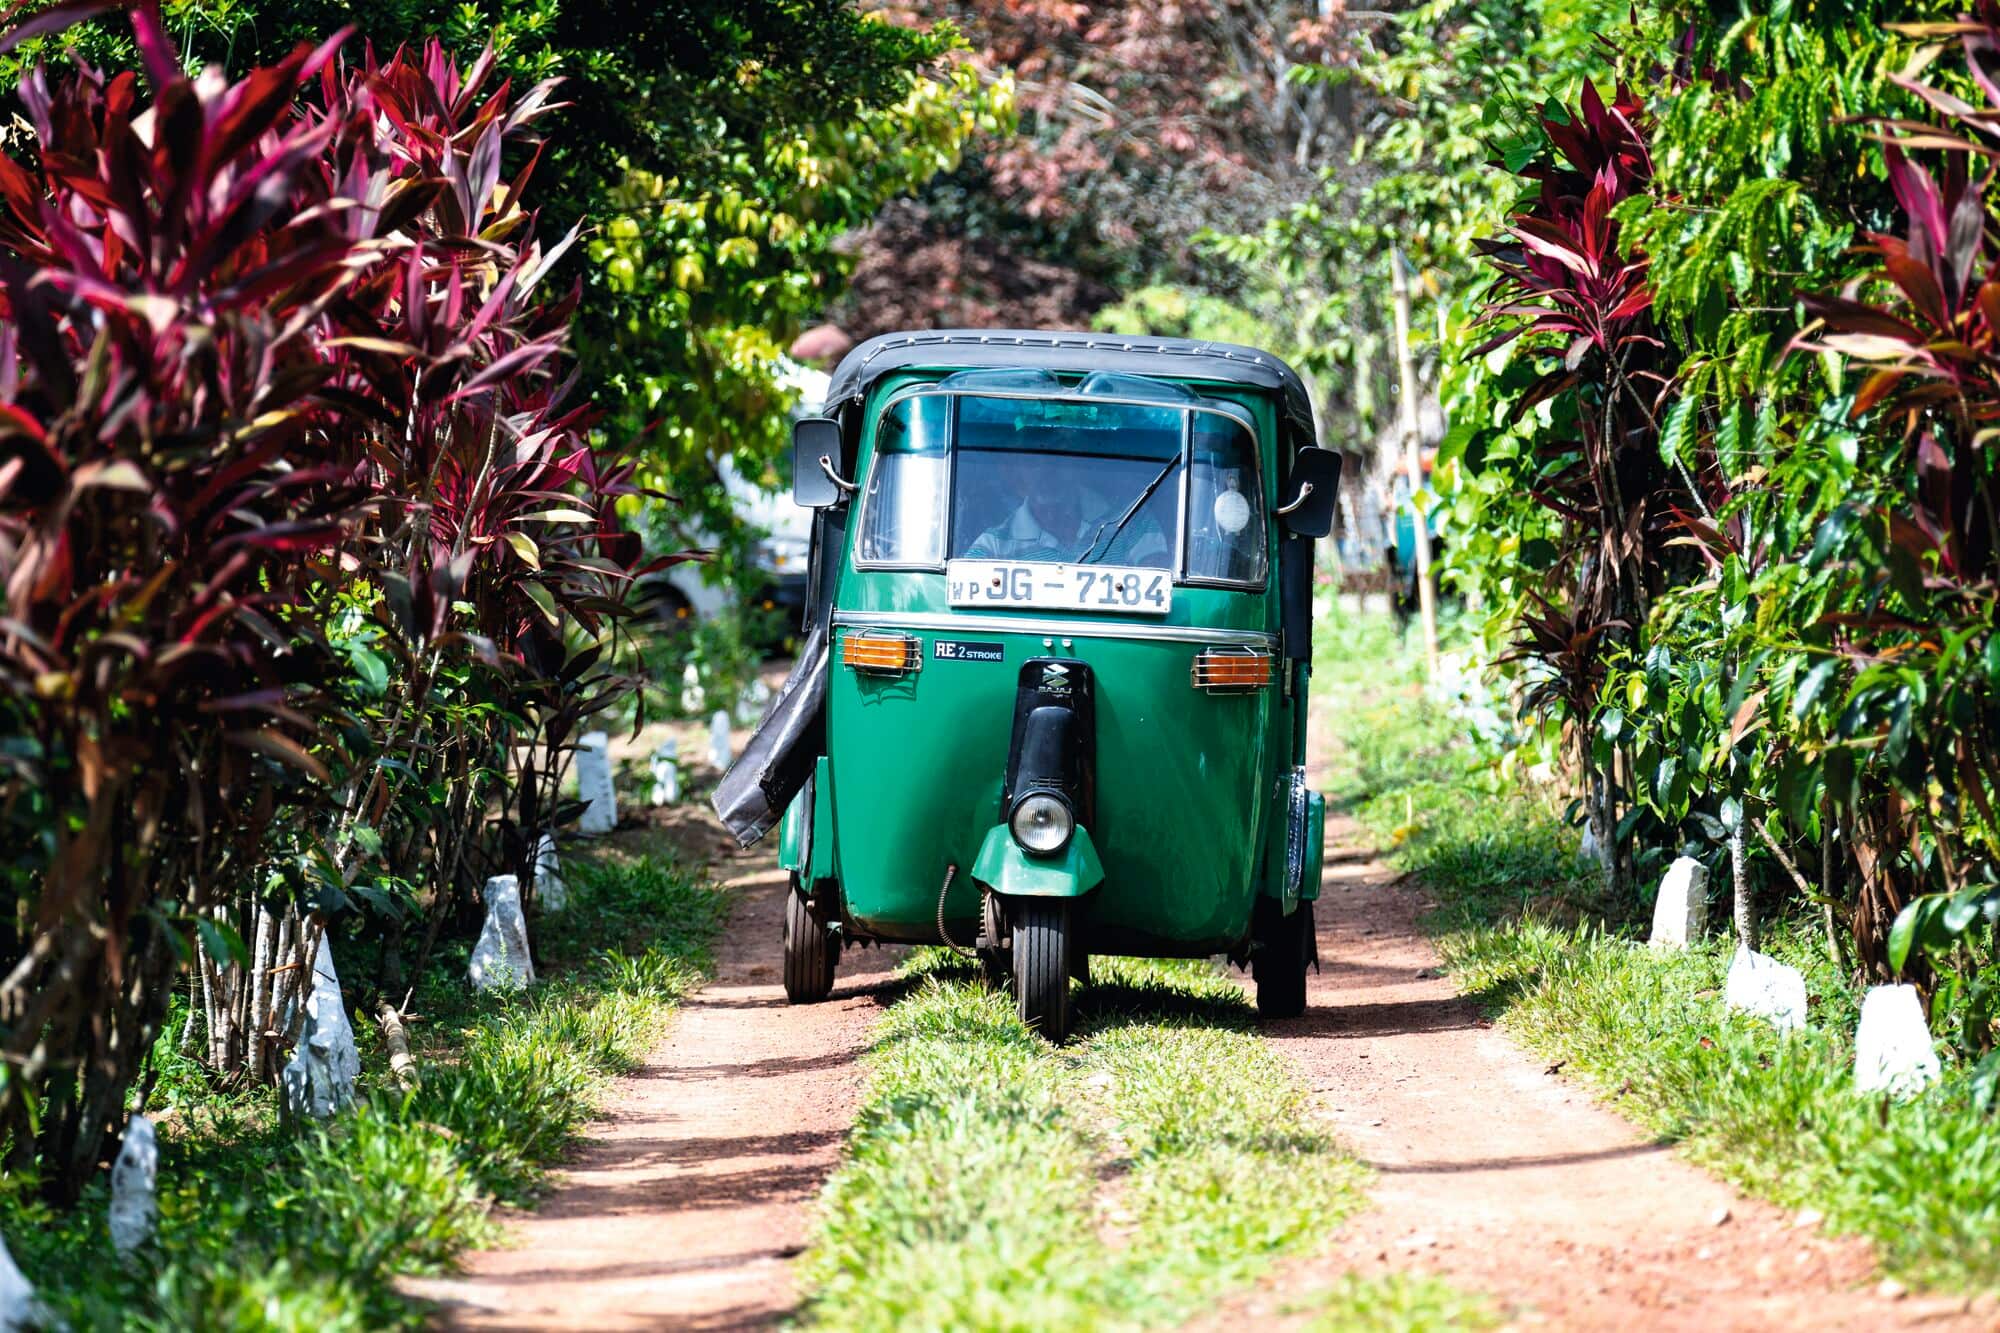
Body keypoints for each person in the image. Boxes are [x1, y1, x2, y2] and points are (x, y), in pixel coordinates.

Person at [961, 451, 1172, 566]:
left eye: (1057, 460)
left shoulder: (1132, 519)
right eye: (1034, 462)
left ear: (1079, 465)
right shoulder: (993, 546)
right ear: (1016, 475)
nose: (1047, 472)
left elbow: (1163, 587)